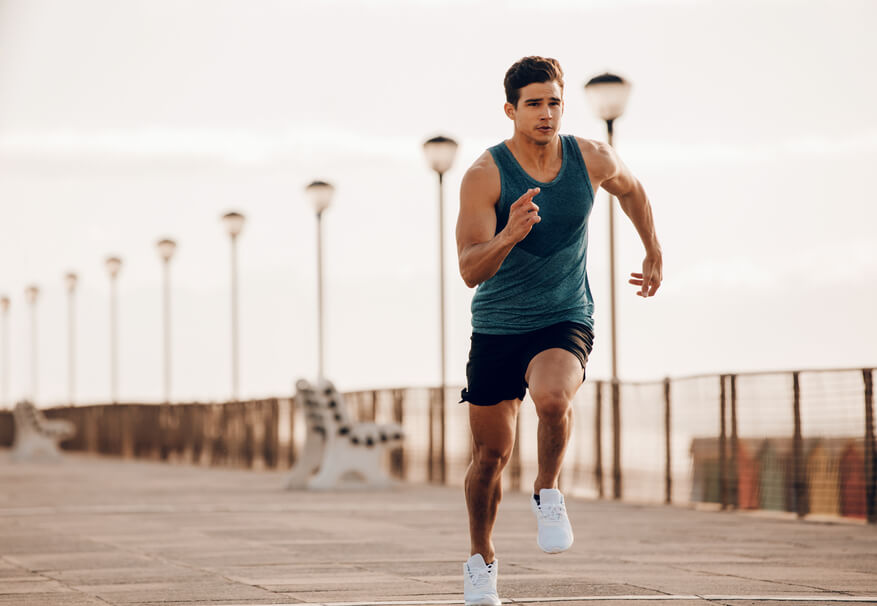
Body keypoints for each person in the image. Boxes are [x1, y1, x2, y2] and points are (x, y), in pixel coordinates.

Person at [455, 56, 663, 606]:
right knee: (491, 457)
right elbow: (470, 269)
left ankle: (548, 490)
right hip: (498, 325)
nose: (546, 114)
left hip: (564, 314)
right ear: (511, 110)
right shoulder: (486, 174)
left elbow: (633, 189)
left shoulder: (589, 156)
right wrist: (509, 234)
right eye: (534, 104)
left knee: (551, 398)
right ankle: (482, 559)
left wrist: (653, 248)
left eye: (554, 102)